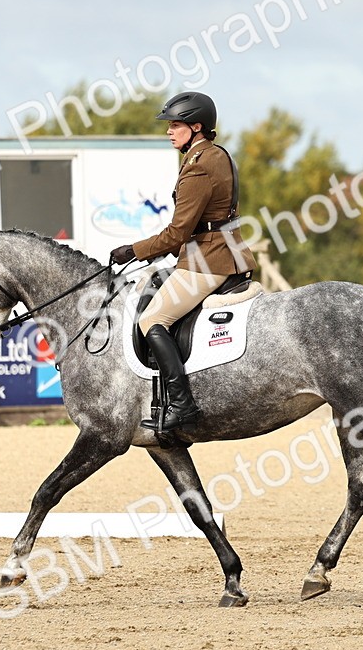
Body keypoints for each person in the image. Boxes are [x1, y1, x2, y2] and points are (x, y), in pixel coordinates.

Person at [109, 91, 256, 432]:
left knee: (151, 320)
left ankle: (182, 403)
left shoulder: (199, 166)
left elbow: (177, 233)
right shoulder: (214, 155)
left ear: (196, 126)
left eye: (175, 125)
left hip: (209, 259)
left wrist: (133, 250)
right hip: (217, 251)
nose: (169, 131)